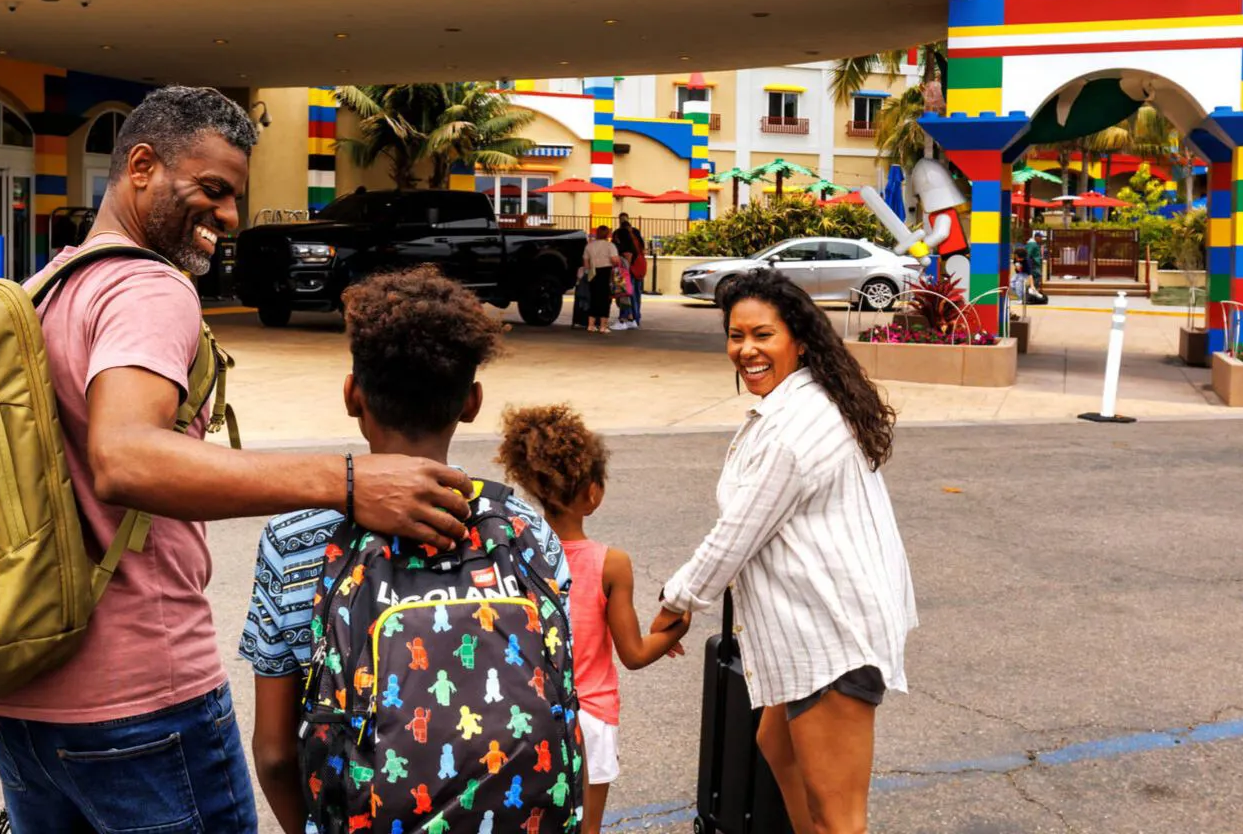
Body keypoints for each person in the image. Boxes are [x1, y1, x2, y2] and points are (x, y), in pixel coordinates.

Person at [0, 86, 473, 834]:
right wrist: (344, 481)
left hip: (20, 695)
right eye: (212, 190)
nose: (230, 217)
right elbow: (123, 457)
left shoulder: (49, 286)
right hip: (137, 699)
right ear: (141, 166)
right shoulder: (149, 288)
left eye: (235, 197)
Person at [240, 266, 571, 834]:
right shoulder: (524, 530)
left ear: (352, 396)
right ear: (471, 402)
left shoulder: (294, 540)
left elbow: (274, 753)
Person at [654, 268, 916, 834]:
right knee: (776, 743)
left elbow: (735, 537)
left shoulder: (796, 427)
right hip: (811, 630)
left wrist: (673, 602)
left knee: (838, 819)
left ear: (798, 337)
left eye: (762, 335)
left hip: (832, 634)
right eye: (735, 334)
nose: (745, 349)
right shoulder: (799, 404)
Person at [497, 404, 686, 834]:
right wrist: (681, 620)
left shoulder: (516, 554)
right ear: (593, 492)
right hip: (591, 718)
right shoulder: (611, 564)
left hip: (530, 714)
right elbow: (635, 654)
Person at [611, 213, 647, 329]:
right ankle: (635, 319)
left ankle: (623, 319)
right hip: (638, 266)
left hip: (624, 268)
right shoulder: (636, 232)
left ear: (619, 221)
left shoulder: (618, 233)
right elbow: (642, 247)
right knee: (636, 294)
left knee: (623, 293)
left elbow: (617, 250)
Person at [581, 224, 618, 334]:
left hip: (593, 273)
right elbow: (615, 260)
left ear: (597, 233)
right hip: (606, 272)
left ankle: (591, 325)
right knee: (605, 299)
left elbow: (585, 261)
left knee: (593, 298)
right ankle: (603, 326)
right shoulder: (610, 246)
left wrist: (588, 271)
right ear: (607, 234)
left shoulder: (589, 246)